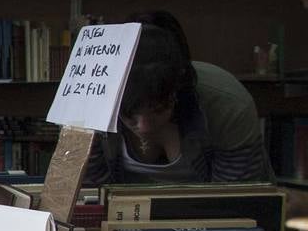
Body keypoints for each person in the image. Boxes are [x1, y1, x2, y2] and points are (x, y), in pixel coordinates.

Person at [84, 11, 271, 185]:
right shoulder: (84, 104)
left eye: (158, 109)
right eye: (129, 113)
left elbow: (235, 201)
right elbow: (86, 196)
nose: (144, 126)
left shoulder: (227, 106)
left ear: (177, 89)